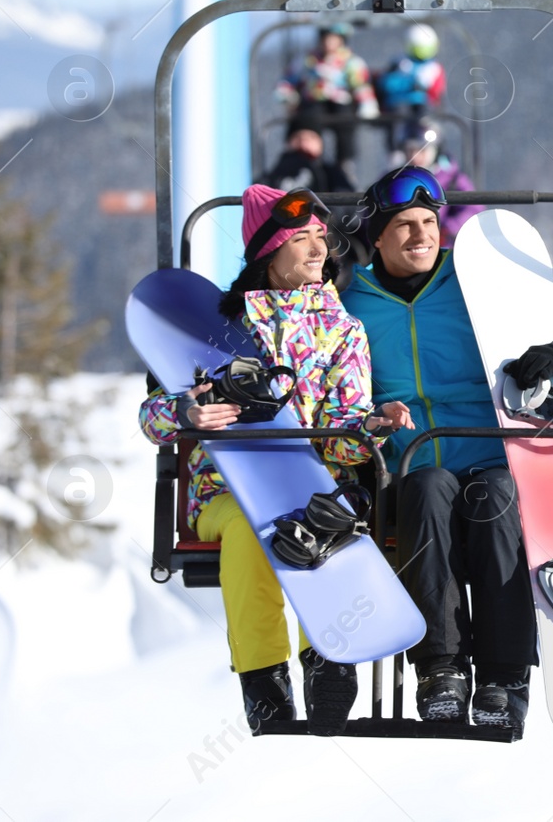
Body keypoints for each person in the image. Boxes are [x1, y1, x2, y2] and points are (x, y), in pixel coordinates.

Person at [340, 167, 553, 730]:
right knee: (426, 491)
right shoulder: (352, 309)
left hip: (495, 453)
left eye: (428, 222)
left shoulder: (480, 284)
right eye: (405, 226)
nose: (421, 235)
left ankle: (504, 673)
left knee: (493, 501)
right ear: (377, 238)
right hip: (412, 462)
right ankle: (441, 668)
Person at [137, 185, 413, 736]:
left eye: (321, 238)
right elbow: (150, 419)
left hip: (310, 486)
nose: (319, 251)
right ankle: (263, 678)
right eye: (301, 239)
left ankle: (325, 662)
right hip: (226, 491)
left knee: (319, 522)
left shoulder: (341, 331)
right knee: (250, 528)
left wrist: (370, 428)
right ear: (267, 252)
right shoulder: (212, 326)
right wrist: (185, 414)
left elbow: (340, 437)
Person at [276, 23, 379, 181]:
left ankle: (345, 162)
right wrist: (286, 92)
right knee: (309, 119)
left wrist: (367, 103)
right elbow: (290, 78)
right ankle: (309, 160)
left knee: (345, 120)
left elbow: (361, 85)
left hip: (340, 102)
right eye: (326, 39)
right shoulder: (308, 60)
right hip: (314, 100)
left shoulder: (350, 62)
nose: (328, 44)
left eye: (333, 40)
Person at [394, 126, 480, 246]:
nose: (415, 156)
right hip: (403, 246)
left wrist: (447, 228)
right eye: (410, 150)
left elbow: (473, 210)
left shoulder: (453, 179)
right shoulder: (394, 179)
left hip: (443, 248)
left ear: (434, 151)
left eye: (421, 151)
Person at [375, 22, 446, 148]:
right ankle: (396, 150)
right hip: (398, 103)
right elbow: (386, 83)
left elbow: (437, 90)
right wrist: (408, 83)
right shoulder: (400, 63)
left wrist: (425, 88)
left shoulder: (433, 68)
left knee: (428, 122)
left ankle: (432, 149)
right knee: (397, 122)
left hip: (422, 104)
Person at [262, 126, 353, 194]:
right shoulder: (278, 171)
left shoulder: (331, 173)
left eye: (310, 138)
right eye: (298, 138)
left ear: (320, 144)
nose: (303, 143)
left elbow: (347, 203)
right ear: (288, 143)